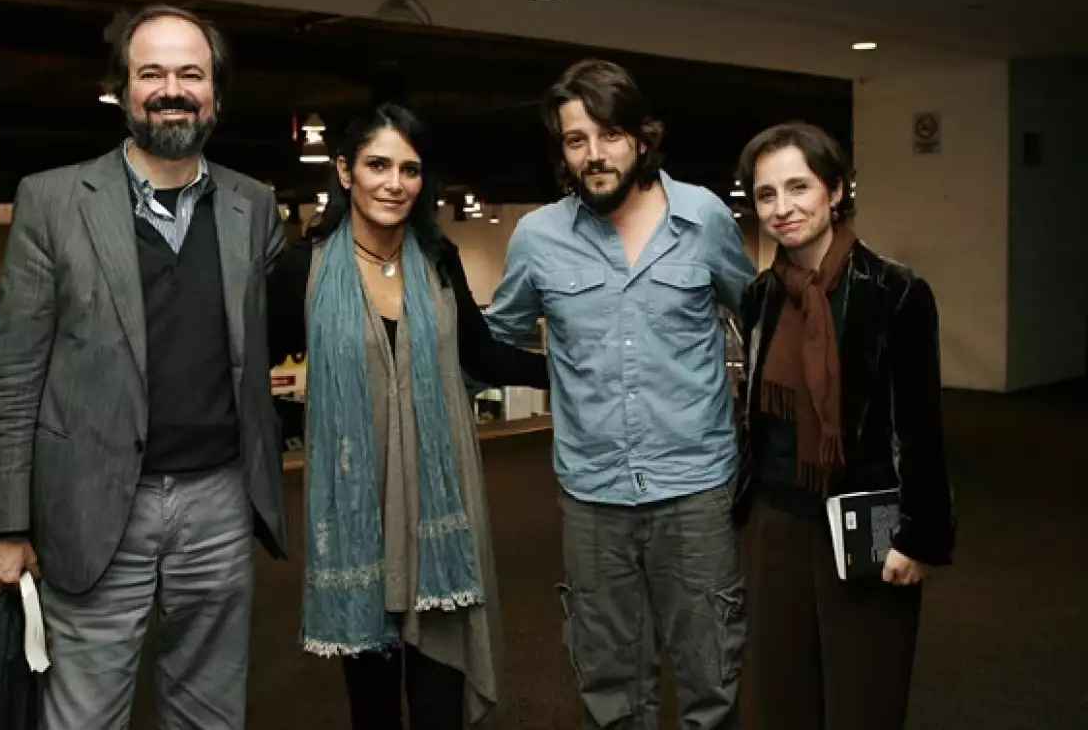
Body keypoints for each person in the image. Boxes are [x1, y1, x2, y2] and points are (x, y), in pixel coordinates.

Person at [0, 5, 286, 730]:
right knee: (82, 716)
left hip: (220, 501)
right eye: (151, 72)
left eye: (190, 73)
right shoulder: (52, 201)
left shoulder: (255, 205)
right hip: (89, 504)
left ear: (216, 93)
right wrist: (3, 524)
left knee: (210, 712)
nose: (171, 88)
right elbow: (13, 374)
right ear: (121, 89)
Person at [485, 58, 756, 730]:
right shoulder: (538, 237)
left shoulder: (704, 217)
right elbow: (493, 341)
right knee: (608, 684)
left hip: (696, 488)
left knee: (709, 675)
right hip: (593, 497)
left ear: (641, 137)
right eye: (577, 140)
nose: (594, 154)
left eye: (608, 134)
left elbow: (762, 322)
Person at [267, 102, 548, 729]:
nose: (394, 183)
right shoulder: (302, 272)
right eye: (377, 165)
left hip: (439, 518)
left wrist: (573, 371)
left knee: (438, 705)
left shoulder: (438, 263)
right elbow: (247, 373)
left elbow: (485, 356)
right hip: (355, 520)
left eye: (410, 169)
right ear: (345, 171)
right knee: (372, 710)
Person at [734, 121, 955, 730]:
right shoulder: (760, 297)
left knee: (865, 702)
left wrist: (920, 536)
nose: (783, 208)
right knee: (783, 701)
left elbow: (921, 425)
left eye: (798, 187)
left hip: (867, 520)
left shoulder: (896, 291)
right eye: (766, 194)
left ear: (835, 191)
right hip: (777, 521)